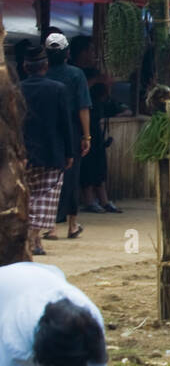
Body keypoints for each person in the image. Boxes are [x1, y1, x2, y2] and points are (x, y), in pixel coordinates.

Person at [19, 47, 73, 257]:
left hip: (22, 154)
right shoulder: (58, 89)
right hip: (52, 152)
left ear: (25, 67)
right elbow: (65, 124)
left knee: (27, 197)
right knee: (45, 197)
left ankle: (31, 239)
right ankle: (35, 238)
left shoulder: (17, 89)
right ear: (46, 66)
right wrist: (70, 152)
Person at [44, 31, 91, 242]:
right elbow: (83, 107)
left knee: (47, 179)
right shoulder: (76, 75)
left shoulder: (40, 74)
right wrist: (87, 136)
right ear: (67, 53)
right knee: (71, 179)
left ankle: (50, 226)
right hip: (71, 132)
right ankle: (72, 225)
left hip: (45, 133)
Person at [80, 81, 123, 215]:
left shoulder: (102, 103)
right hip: (86, 137)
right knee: (88, 169)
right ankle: (89, 201)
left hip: (97, 139)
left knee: (100, 169)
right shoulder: (88, 102)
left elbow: (123, 109)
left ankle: (104, 201)